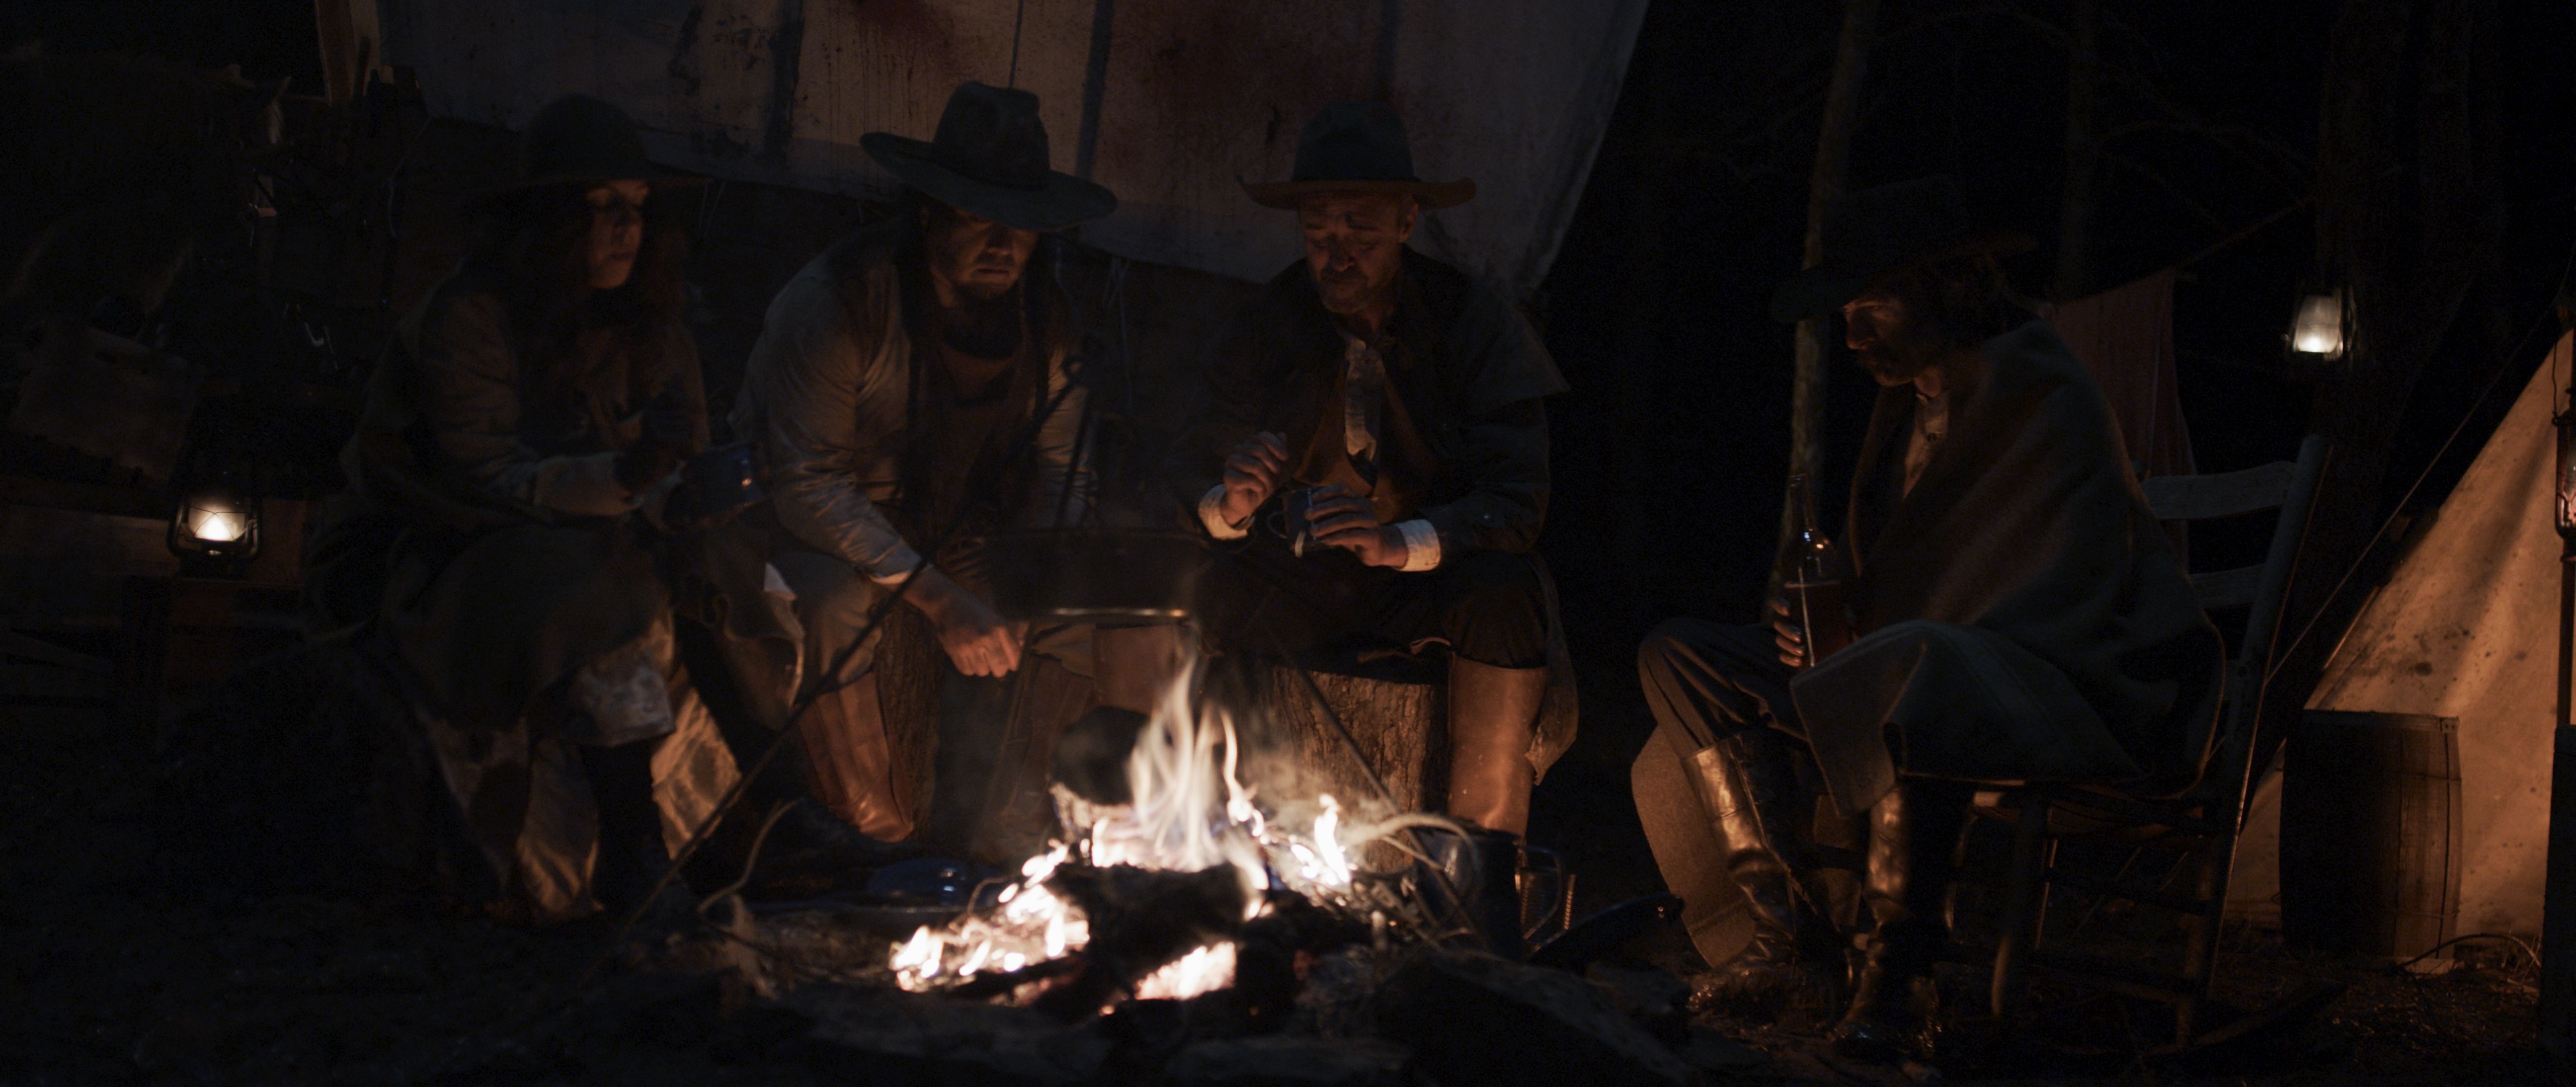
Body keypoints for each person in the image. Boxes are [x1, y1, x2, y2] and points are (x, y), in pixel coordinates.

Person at [1631, 177, 2221, 1059]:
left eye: (1874, 308)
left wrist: (1888, 636)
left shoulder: (2044, 393)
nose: (1853, 336)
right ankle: (1796, 945)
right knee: (1682, 655)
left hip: (2066, 685)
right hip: (1915, 661)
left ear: (1949, 289)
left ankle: (1897, 980)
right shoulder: (1909, 405)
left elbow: (2065, 588)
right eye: (1847, 315)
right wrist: (1832, 622)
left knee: (1920, 666)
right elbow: (1906, 576)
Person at [309, 95, 752, 920]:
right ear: (549, 221)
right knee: (601, 584)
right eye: (601, 207)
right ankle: (631, 850)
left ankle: (774, 812)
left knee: (741, 578)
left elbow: (674, 457)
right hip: (446, 547)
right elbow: (485, 476)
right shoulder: (471, 317)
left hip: (599, 537)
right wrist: (626, 479)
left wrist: (684, 494)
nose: (626, 228)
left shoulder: (654, 329)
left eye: (638, 208)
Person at [734, 82, 1176, 862]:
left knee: (1121, 617)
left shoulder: (1044, 316)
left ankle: (1063, 837)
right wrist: (939, 597)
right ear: (930, 213)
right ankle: (867, 843)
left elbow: (1062, 472)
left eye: (1023, 226)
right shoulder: (841, 303)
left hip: (967, 533)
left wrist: (1027, 577)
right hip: (824, 537)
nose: (1003, 245)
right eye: (979, 219)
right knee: (830, 605)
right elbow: (807, 487)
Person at [1176, 103, 1574, 855]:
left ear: (1406, 221)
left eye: (1360, 233)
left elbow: (1517, 499)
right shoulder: (1268, 321)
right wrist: (1230, 504)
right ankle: (1197, 851)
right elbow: (1197, 462)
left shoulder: (1472, 322)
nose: (1338, 257)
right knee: (1187, 583)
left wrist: (1400, 542)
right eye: (1318, 234)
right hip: (1299, 582)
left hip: (1425, 587)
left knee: (1506, 595)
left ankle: (1484, 863)